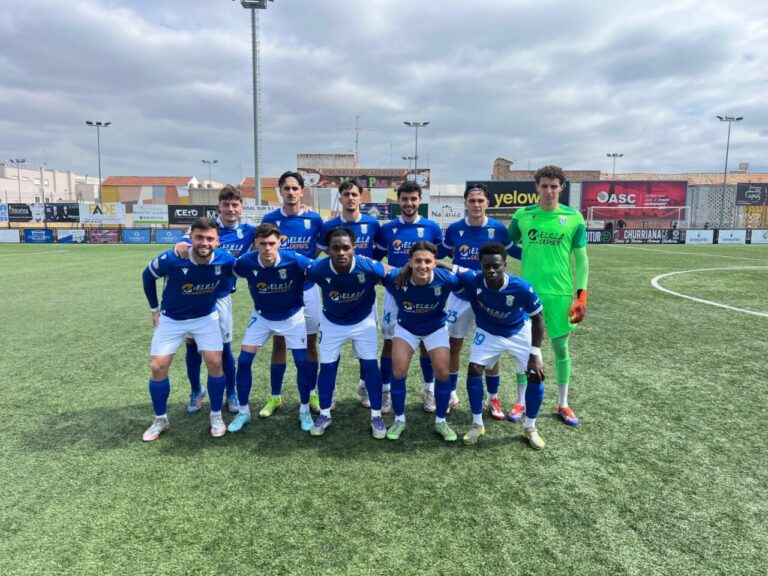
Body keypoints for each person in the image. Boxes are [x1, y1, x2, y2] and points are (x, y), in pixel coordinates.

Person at [141, 217, 236, 441]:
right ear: (190, 238)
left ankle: (215, 416)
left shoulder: (225, 259)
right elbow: (147, 276)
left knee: (215, 363)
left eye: (210, 238)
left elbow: (231, 277)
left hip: (205, 318)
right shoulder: (174, 257)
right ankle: (160, 419)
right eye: (199, 238)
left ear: (218, 241)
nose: (204, 243)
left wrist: (222, 291)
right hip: (172, 318)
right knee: (158, 367)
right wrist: (154, 309)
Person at [508, 165, 589, 427]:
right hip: (527, 295)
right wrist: (528, 256)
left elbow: (581, 258)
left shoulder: (574, 218)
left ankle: (563, 403)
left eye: (554, 186)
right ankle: (520, 400)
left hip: (561, 294)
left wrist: (581, 295)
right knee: (524, 351)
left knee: (560, 348)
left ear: (561, 188)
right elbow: (508, 244)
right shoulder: (523, 215)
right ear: (537, 187)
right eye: (544, 186)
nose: (549, 191)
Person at [453, 242, 547, 449]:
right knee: (474, 369)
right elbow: (446, 267)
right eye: (486, 266)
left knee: (535, 374)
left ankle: (530, 427)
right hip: (488, 332)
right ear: (480, 265)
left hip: (517, 330)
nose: (491, 270)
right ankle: (477, 424)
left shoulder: (521, 287)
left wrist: (535, 354)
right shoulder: (473, 279)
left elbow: (538, 318)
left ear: (505, 264)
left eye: (496, 265)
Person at [174, 185, 256, 416]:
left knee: (224, 347)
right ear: (218, 206)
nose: (230, 209)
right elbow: (184, 242)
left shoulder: (249, 231)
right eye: (226, 204)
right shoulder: (205, 227)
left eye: (235, 205)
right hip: (193, 296)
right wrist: (181, 244)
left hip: (220, 297)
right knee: (192, 347)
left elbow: (270, 235)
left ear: (241, 207)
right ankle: (196, 390)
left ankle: (231, 392)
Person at [443, 182, 521, 421]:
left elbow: (516, 253)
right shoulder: (454, 229)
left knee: (492, 348)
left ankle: (492, 397)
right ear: (465, 203)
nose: (476, 205)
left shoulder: (498, 228)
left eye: (481, 201)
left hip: (490, 297)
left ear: (487, 203)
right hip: (460, 295)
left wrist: (544, 255)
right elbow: (438, 254)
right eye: (472, 201)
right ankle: (451, 394)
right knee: (454, 345)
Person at [228, 223, 315, 432]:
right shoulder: (246, 262)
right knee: (244, 360)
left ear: (279, 242)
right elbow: (224, 268)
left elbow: (318, 269)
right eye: (263, 244)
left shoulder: (293, 259)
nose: (267, 248)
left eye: (271, 243)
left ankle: (304, 410)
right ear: (256, 244)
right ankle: (243, 412)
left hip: (292, 317)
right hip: (262, 316)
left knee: (302, 363)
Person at [306, 227, 390, 439]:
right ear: (328, 251)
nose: (341, 252)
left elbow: (393, 273)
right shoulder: (317, 269)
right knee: (327, 367)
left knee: (370, 365)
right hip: (332, 322)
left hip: (363, 321)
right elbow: (297, 272)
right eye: (336, 248)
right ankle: (325, 413)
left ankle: (376, 415)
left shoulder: (368, 267)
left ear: (354, 249)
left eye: (346, 248)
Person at [375, 180, 446, 414]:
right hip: (395, 295)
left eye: (413, 198)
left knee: (427, 342)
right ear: (398, 200)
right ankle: (386, 390)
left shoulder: (432, 228)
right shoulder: (387, 229)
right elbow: (377, 259)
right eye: (404, 199)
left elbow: (437, 260)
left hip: (424, 294)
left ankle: (429, 389)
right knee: (389, 342)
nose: (408, 203)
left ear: (420, 200)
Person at [380, 241, 462, 442]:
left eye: (427, 261)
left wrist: (446, 265)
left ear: (435, 263)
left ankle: (441, 421)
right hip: (406, 328)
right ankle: (399, 419)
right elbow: (374, 268)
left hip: (435, 329)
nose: (422, 266)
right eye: (417, 261)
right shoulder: (395, 278)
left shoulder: (446, 279)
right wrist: (401, 269)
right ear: (410, 262)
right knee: (398, 371)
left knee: (443, 372)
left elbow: (473, 278)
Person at [261, 171, 324, 416]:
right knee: (279, 341)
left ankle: (312, 393)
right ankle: (275, 396)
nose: (290, 192)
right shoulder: (269, 219)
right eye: (286, 188)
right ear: (280, 191)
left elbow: (318, 252)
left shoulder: (314, 220)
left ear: (301, 191)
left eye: (294, 188)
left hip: (307, 289)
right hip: (280, 291)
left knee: (310, 341)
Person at [317, 180, 382, 409]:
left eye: (354, 194)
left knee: (366, 348)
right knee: (331, 348)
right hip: (336, 290)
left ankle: (364, 387)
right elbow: (319, 255)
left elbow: (380, 254)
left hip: (363, 290)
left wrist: (368, 273)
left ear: (360, 198)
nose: (351, 198)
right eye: (346, 194)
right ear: (341, 197)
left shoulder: (373, 224)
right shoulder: (329, 225)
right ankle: (330, 393)